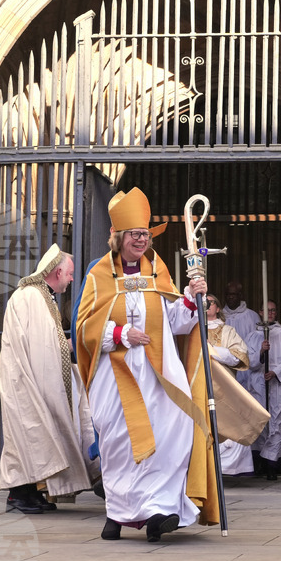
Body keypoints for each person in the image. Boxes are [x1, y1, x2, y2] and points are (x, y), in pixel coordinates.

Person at [75, 187, 215, 542]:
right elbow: (84, 328)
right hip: (116, 374)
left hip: (158, 374)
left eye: (145, 234)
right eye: (134, 235)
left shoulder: (158, 272)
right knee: (121, 443)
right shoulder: (98, 276)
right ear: (119, 238)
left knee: (175, 432)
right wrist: (121, 333)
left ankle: (160, 508)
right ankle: (119, 512)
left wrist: (190, 300)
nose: (141, 240)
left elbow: (176, 322)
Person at [0, 244, 97, 514]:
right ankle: (17, 496)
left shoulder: (44, 297)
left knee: (38, 435)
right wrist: (69, 346)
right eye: (70, 273)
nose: (72, 279)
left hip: (32, 374)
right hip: (25, 377)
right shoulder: (31, 296)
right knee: (27, 435)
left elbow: (47, 342)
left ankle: (32, 494)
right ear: (58, 271)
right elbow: (40, 346)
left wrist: (69, 345)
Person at [203, 294, 255, 476]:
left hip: (223, 386)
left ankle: (226, 469)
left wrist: (212, 350)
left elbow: (239, 356)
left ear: (218, 308)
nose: (206, 305)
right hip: (197, 385)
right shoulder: (191, 329)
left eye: (210, 302)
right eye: (202, 302)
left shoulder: (228, 331)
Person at [245, 300, 281, 480]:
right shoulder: (252, 336)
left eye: (273, 310)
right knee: (261, 423)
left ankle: (272, 463)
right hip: (258, 383)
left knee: (277, 422)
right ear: (260, 312)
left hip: (278, 383)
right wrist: (261, 353)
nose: (271, 313)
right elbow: (248, 360)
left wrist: (276, 372)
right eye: (267, 310)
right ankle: (262, 463)